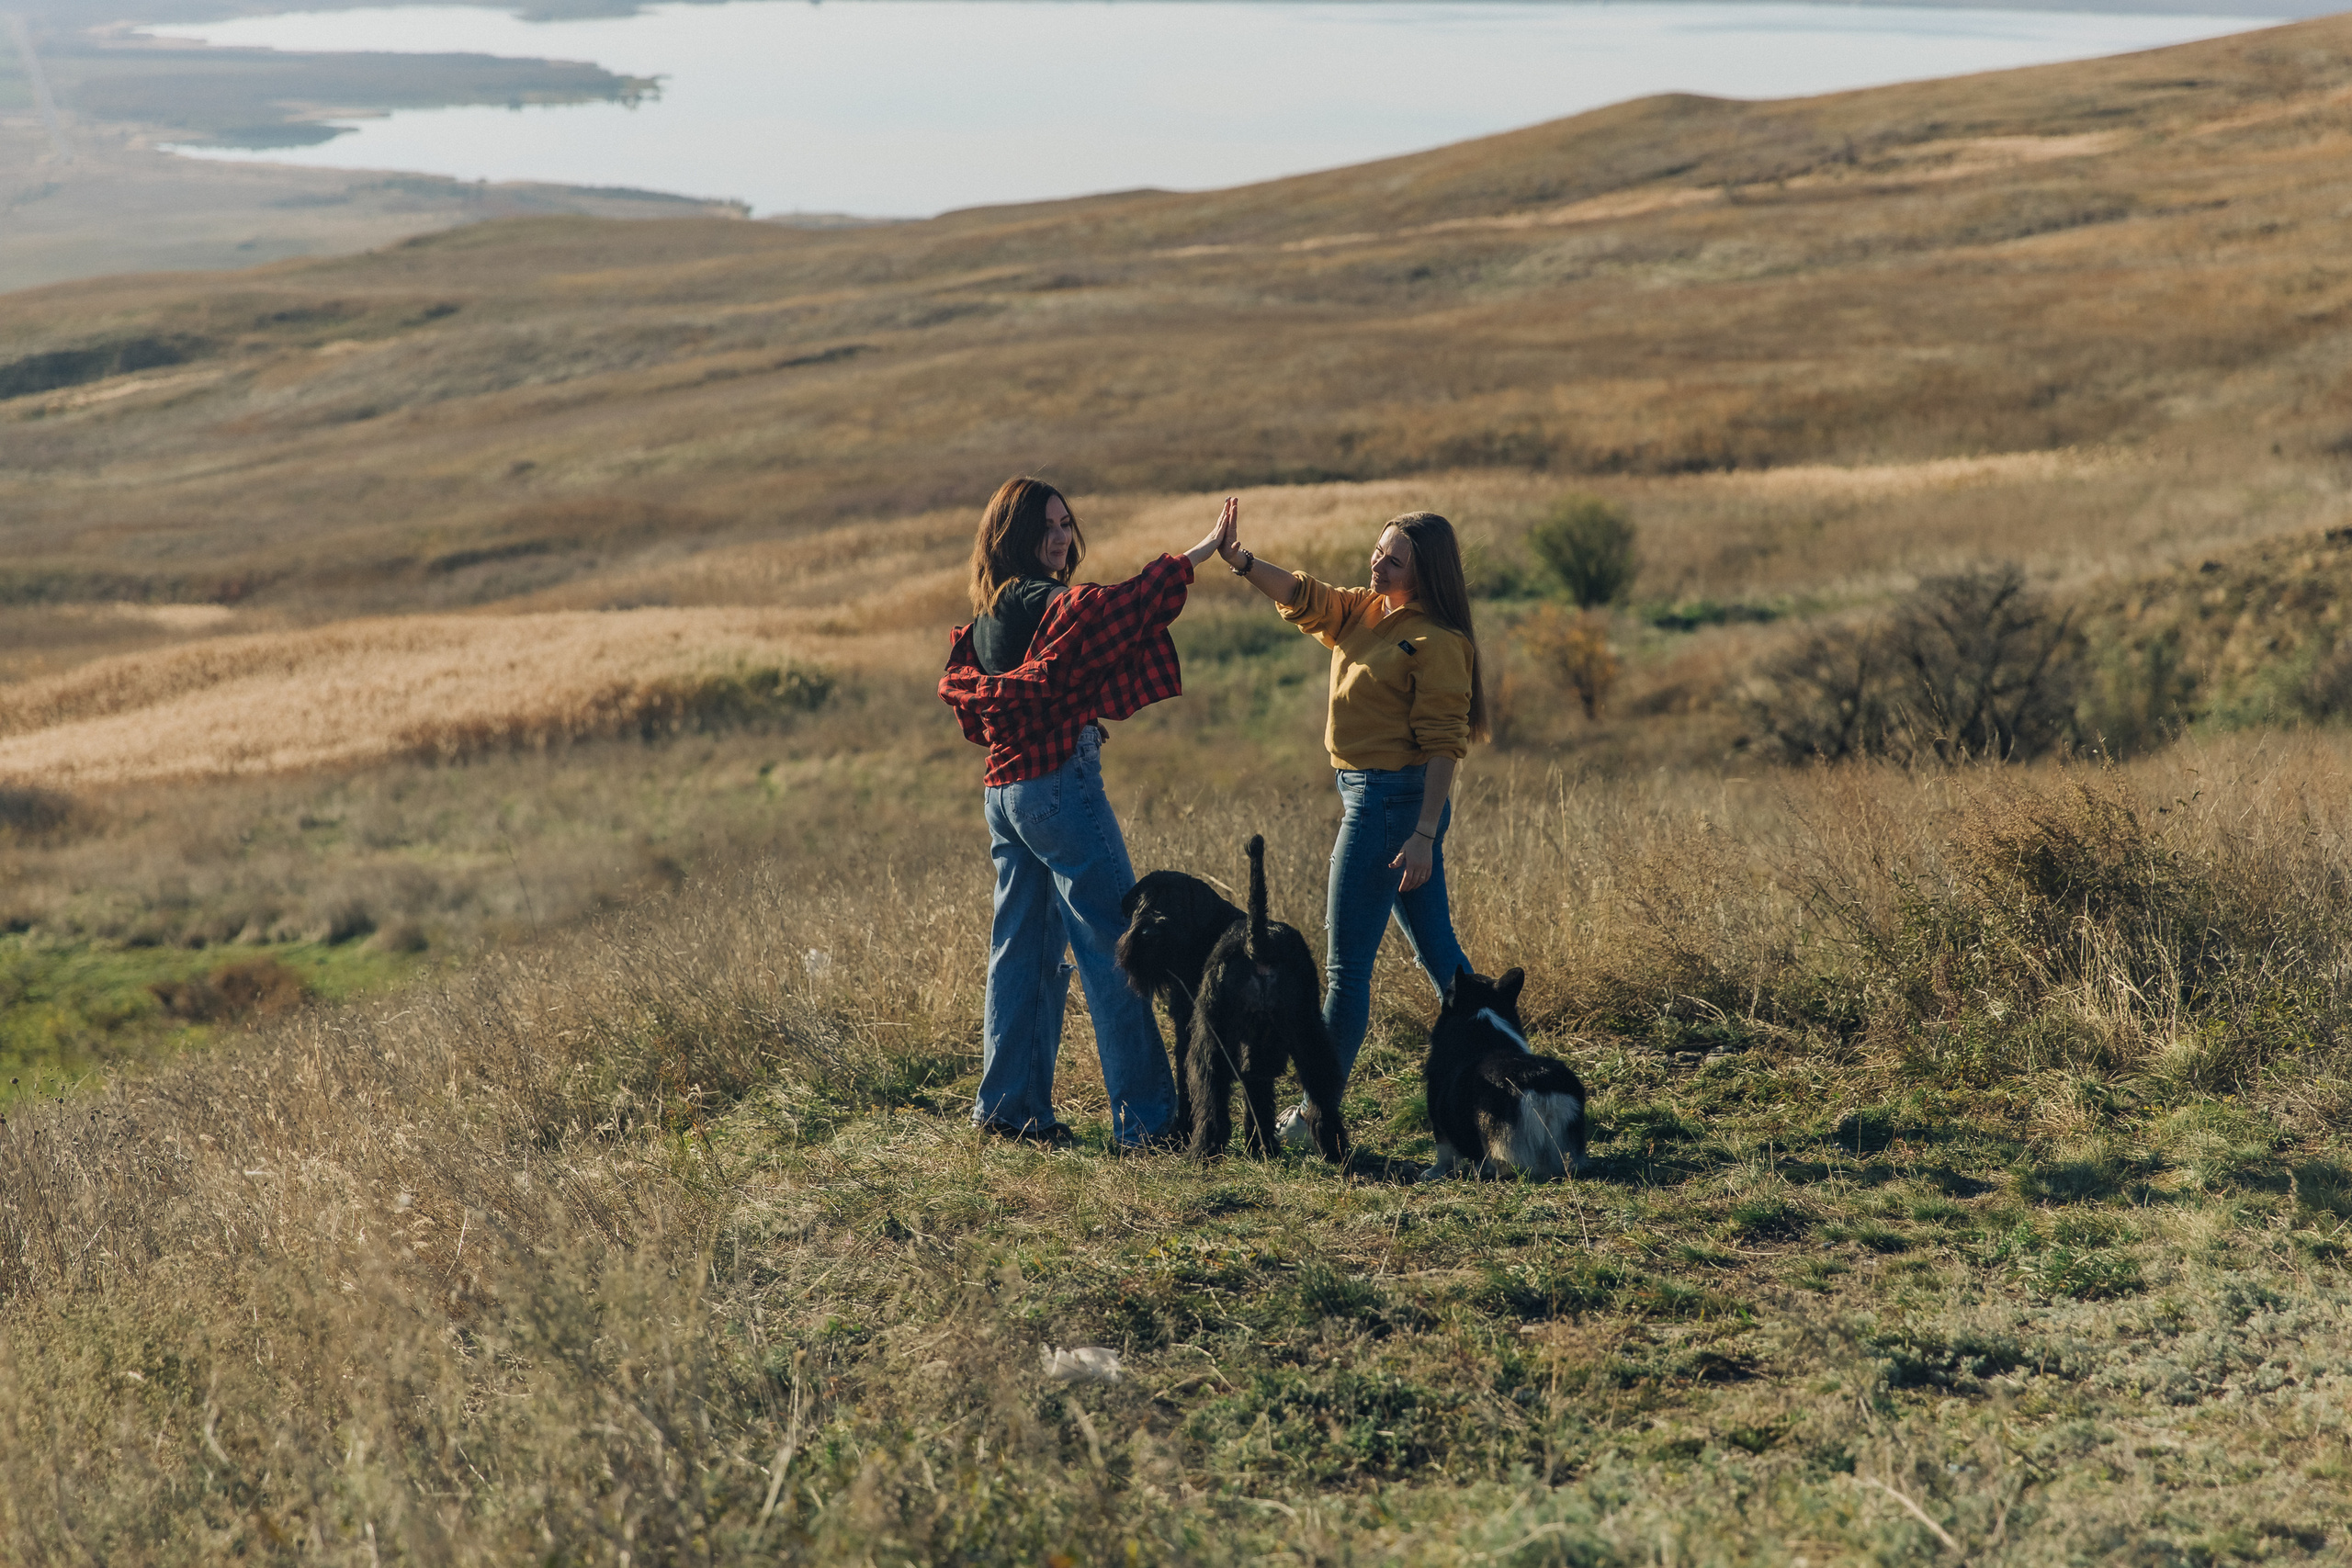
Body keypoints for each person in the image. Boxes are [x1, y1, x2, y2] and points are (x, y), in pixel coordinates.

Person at [939, 477, 1238, 1151]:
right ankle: (1151, 1123)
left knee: (1022, 953)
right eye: (1046, 526)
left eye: (1066, 523)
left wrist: (1078, 720)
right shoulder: (1032, 594)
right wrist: (1194, 557)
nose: (1061, 536)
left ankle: (1009, 1110)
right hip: (1056, 792)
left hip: (1006, 798)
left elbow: (1034, 691)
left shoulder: (990, 612)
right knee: (1117, 947)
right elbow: (1104, 611)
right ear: (1013, 534)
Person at [1217, 506, 1488, 1144]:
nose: (1377, 563)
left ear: (1427, 574)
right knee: (1443, 960)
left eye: (1394, 559)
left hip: (1389, 807)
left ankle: (1316, 1116)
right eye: (1377, 550)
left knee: (1346, 974)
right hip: (1376, 801)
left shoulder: (1437, 641)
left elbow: (1446, 745)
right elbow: (1304, 596)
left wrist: (1423, 834)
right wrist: (1243, 561)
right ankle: (1506, 1074)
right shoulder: (1366, 612)